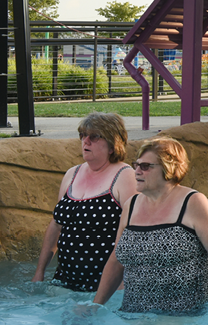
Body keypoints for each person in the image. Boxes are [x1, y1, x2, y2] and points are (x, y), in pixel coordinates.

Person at [93, 138, 208, 315]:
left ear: (168, 169)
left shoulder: (193, 203)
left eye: (146, 166)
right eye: (136, 165)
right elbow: (116, 261)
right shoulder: (130, 206)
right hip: (133, 312)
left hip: (184, 314)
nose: (137, 171)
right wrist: (95, 306)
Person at [34, 112, 137, 291]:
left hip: (104, 284)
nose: (86, 141)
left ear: (113, 145)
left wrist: (121, 285)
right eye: (83, 135)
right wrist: (40, 272)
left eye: (94, 137)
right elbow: (56, 226)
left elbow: (135, 232)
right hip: (65, 280)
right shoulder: (71, 174)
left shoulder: (125, 176)